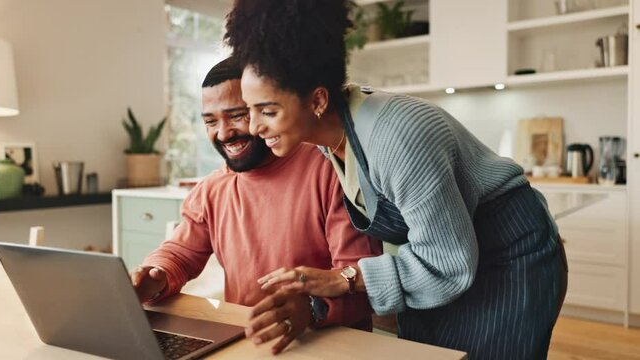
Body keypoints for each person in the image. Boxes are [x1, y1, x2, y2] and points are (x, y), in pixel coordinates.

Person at [224, 1, 568, 358]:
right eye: (248, 109)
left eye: (268, 111)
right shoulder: (332, 140)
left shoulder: (396, 135)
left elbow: (448, 263)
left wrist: (345, 280)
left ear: (318, 101)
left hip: (507, 257)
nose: (253, 127)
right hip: (455, 254)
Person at [131, 58, 381, 355]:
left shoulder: (330, 169)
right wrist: (155, 275)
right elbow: (181, 252)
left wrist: (313, 308)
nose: (223, 134)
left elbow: (365, 277)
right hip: (248, 342)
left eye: (236, 116)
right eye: (210, 121)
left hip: (332, 346)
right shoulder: (214, 186)